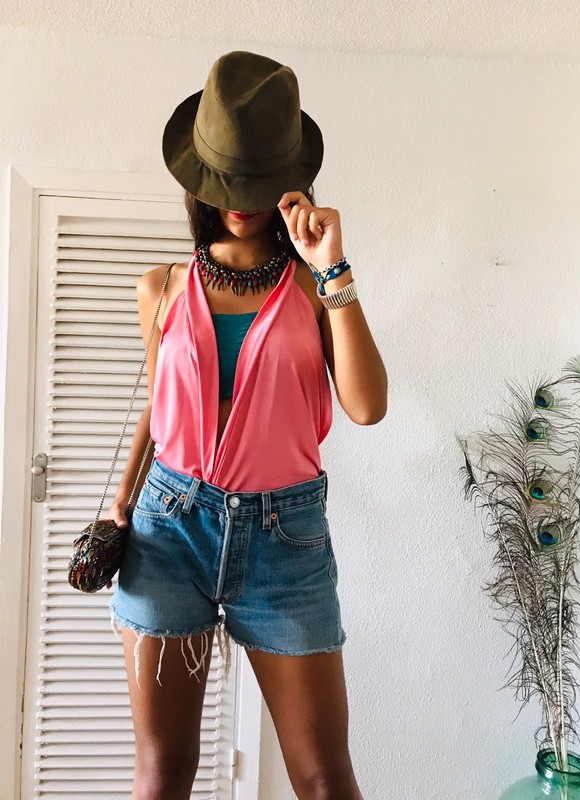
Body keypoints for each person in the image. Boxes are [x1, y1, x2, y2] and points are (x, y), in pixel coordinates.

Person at [107, 50, 387, 800]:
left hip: (285, 541)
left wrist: (333, 268)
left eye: (257, 181)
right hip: (168, 529)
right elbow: (161, 409)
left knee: (323, 777)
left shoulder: (314, 285)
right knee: (163, 772)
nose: (240, 201)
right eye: (227, 180)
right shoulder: (161, 287)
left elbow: (367, 407)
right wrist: (121, 503)